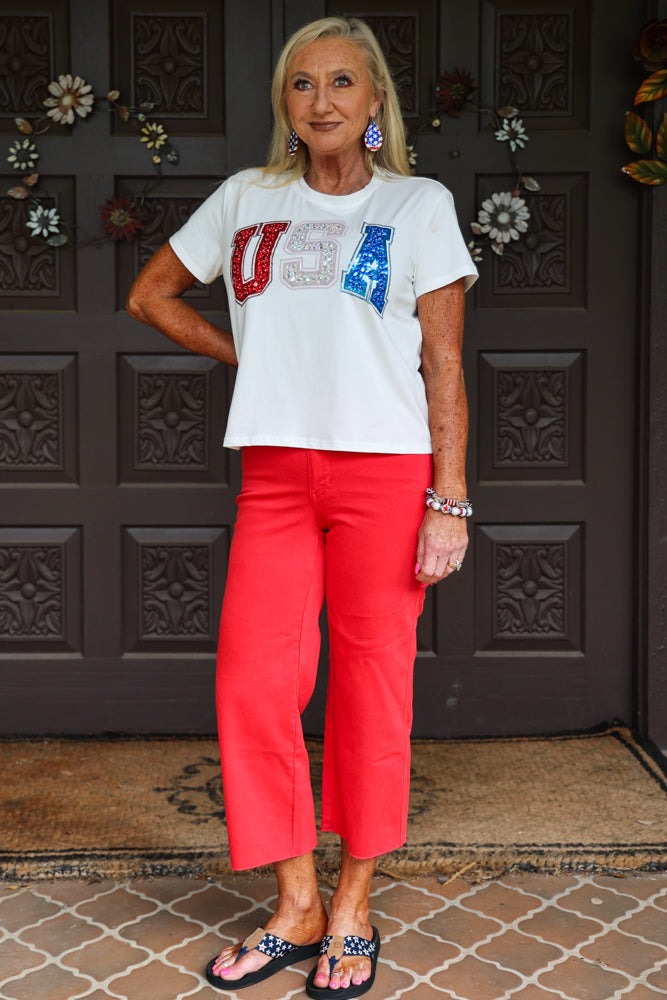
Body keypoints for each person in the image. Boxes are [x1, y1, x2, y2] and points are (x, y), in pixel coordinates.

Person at [126, 15, 477, 999]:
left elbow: (443, 361)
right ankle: (296, 902)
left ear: (373, 104)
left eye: (340, 84)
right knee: (251, 683)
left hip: (386, 474)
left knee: (372, 691)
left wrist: (447, 499)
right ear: (284, 104)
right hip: (276, 476)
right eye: (300, 85)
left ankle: (354, 903)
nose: (319, 101)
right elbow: (151, 294)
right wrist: (249, 360)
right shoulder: (248, 198)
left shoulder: (418, 205)